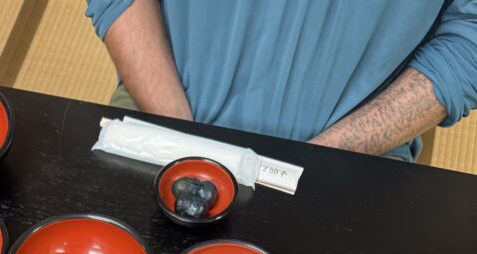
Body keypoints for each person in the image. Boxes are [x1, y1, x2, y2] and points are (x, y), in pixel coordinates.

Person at [85, 0, 477, 160]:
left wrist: (324, 157)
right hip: (158, 111)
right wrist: (174, 125)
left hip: (353, 160)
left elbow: (469, 41)